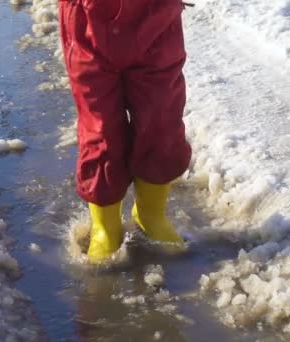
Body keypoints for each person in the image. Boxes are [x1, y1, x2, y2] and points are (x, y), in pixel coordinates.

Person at [58, 0, 192, 263]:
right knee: (100, 127)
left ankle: (151, 213)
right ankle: (106, 226)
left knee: (161, 117)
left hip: (156, 17)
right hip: (88, 20)